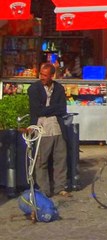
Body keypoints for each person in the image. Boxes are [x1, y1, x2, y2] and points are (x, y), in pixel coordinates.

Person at [28, 62, 70, 198]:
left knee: (60, 158)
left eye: (45, 75)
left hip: (57, 127)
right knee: (42, 160)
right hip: (42, 127)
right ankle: (44, 189)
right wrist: (53, 109)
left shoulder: (59, 88)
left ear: (52, 75)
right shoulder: (33, 89)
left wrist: (47, 110)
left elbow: (62, 109)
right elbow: (37, 110)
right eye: (41, 74)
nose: (42, 77)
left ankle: (60, 187)